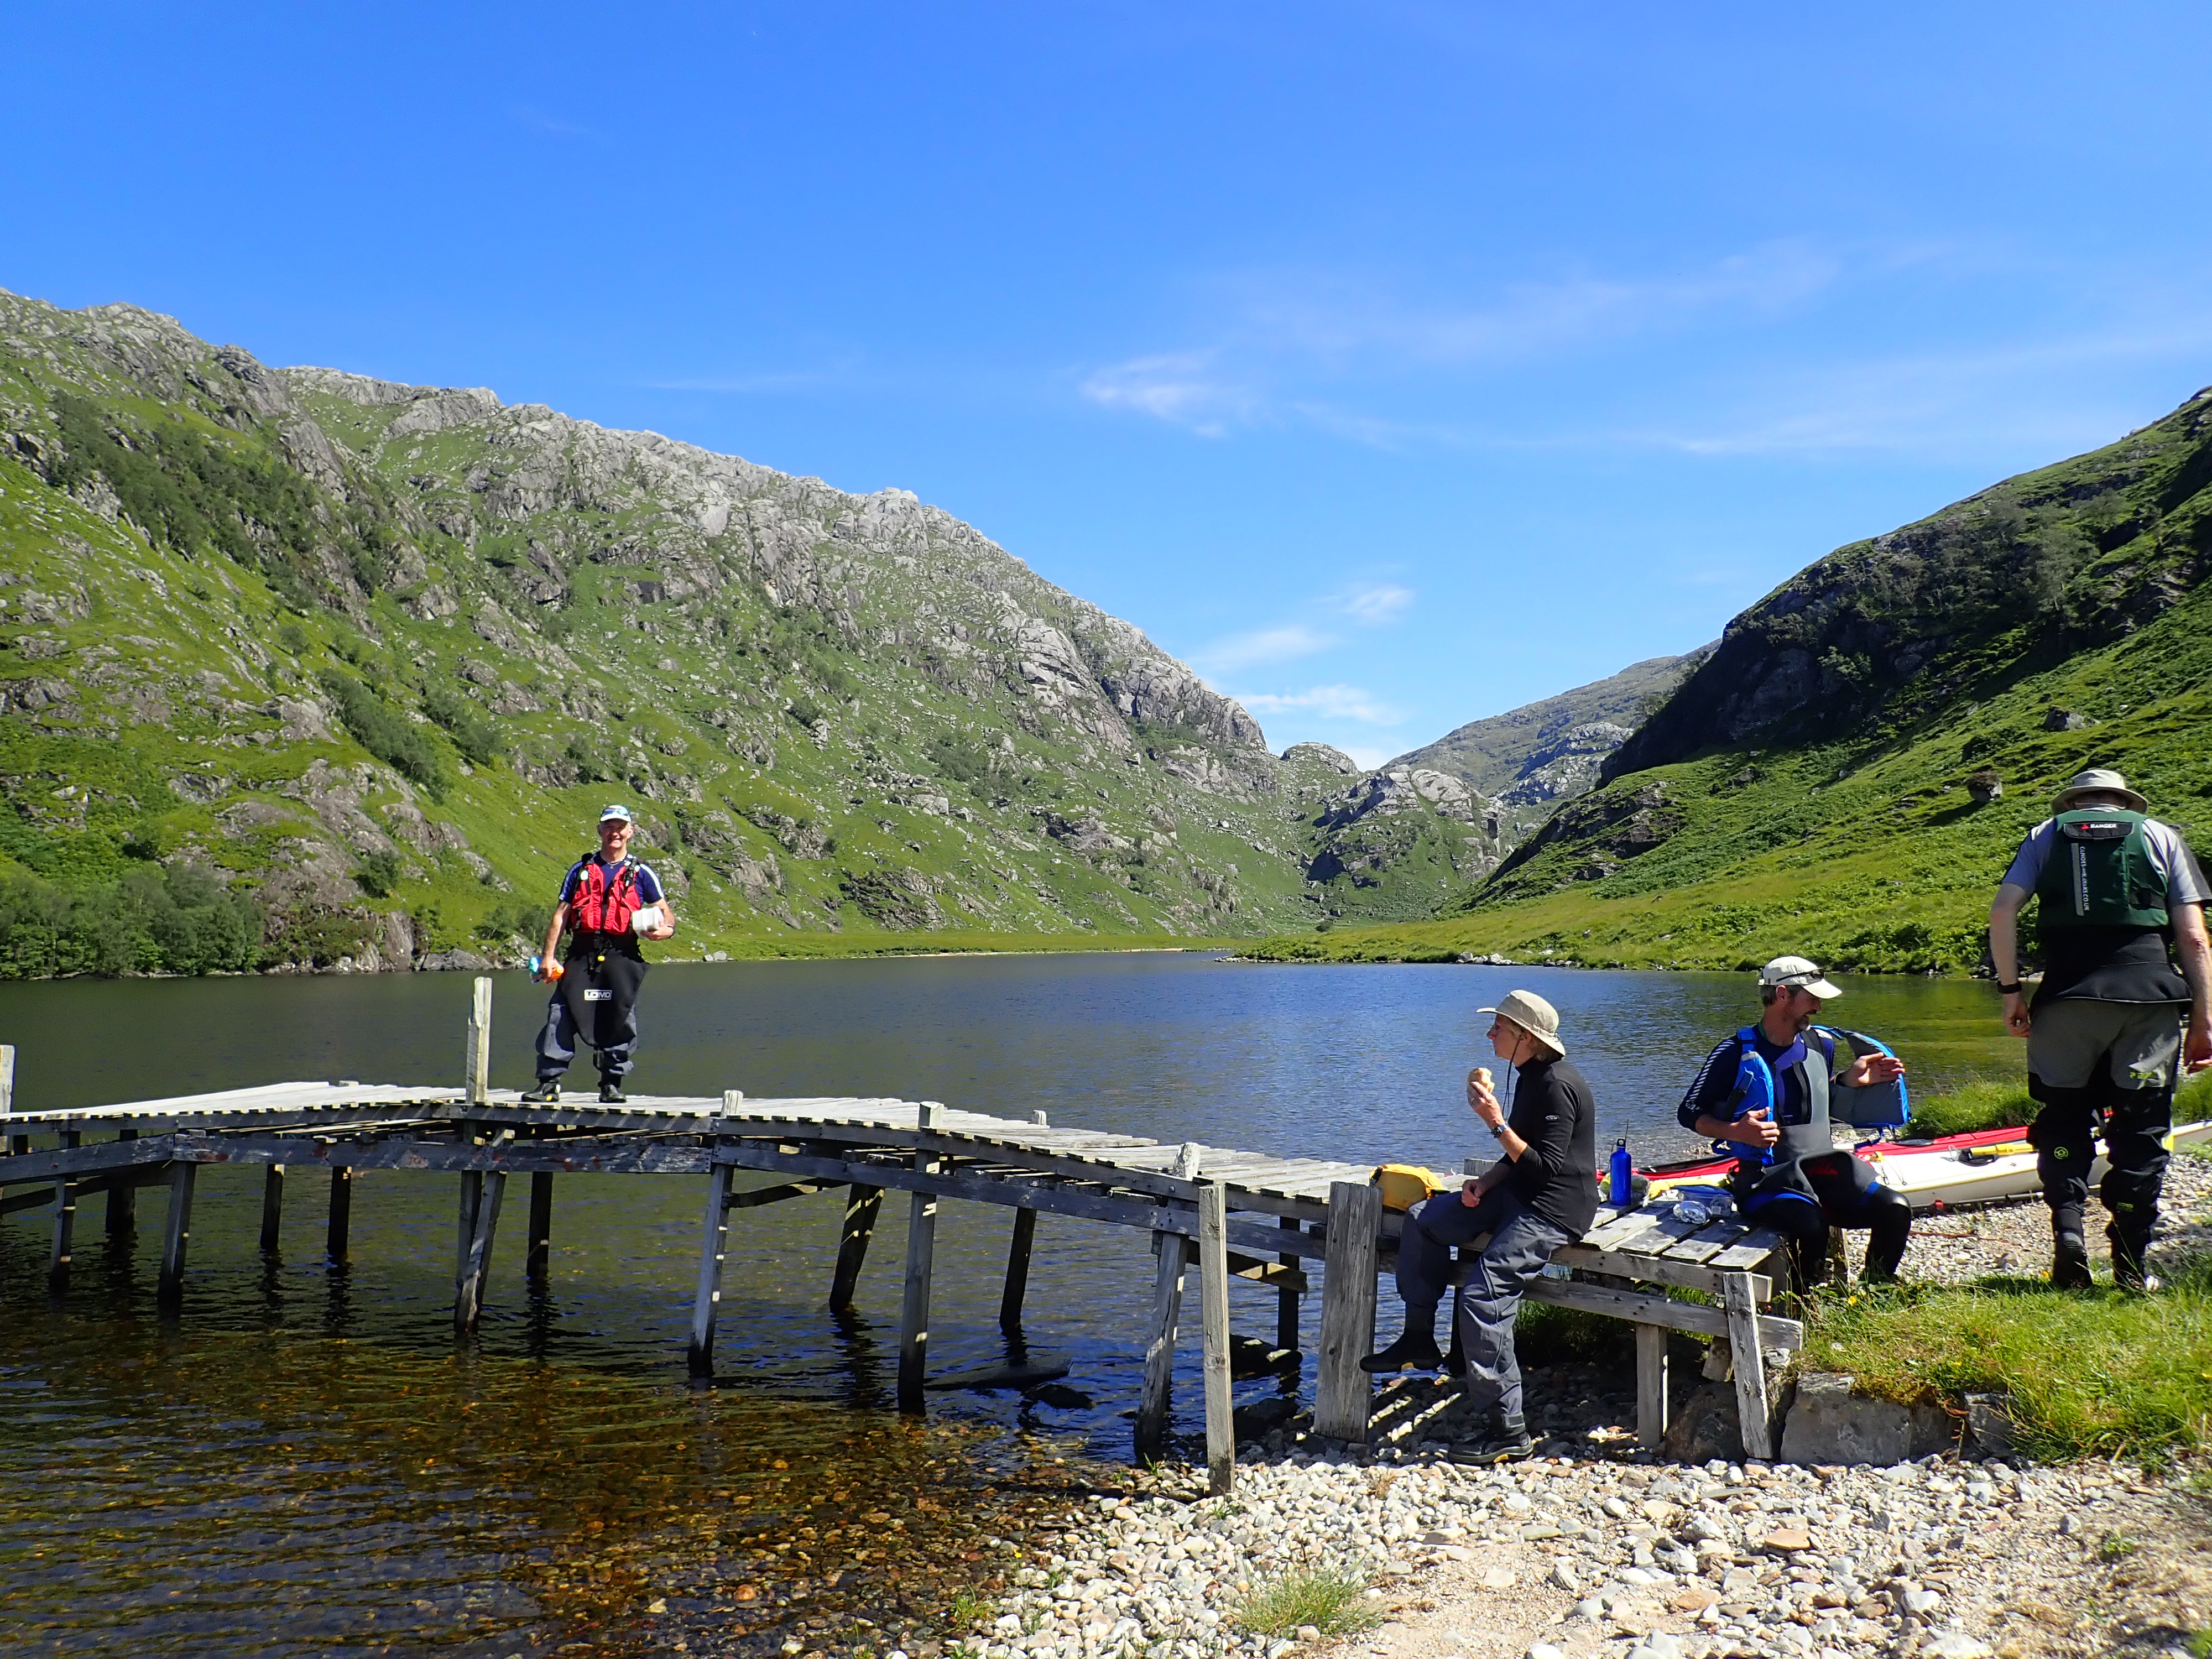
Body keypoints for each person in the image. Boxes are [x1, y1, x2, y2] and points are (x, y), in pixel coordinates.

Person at [1987, 768, 2211, 1292]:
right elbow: (2195, 938)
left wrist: (2011, 991)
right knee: (2142, 1130)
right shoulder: (2161, 835)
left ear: (2075, 801)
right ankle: (2132, 1267)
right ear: (2124, 800)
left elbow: (2003, 913)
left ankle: (2070, 1239)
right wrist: (2204, 1015)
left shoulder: (2045, 835)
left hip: (2066, 998)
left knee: (2062, 1120)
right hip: (2150, 999)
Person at [1360, 989, 1597, 1464]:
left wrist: (1494, 1122)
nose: (1490, 1034)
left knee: (1482, 1298)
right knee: (1424, 1219)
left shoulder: (1556, 1085)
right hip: (1517, 1192)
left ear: (1526, 1038)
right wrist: (1485, 1183)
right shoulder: (1529, 1074)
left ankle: (1508, 1430)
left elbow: (1546, 1167)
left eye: (1500, 1028)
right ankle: (1418, 1339)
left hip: (1554, 1209)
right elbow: (1520, 1159)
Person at [1678, 956, 1912, 1286]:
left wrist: (1849, 1082)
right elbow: (1688, 1113)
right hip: (1765, 1182)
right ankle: (1805, 1306)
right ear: (1783, 995)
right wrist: (1735, 1132)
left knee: (1896, 1208)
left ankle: (1875, 1287)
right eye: (1812, 998)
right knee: (1810, 1223)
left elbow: (1808, 1103)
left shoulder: (1822, 1043)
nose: (1818, 1006)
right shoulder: (1733, 1051)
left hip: (1822, 1172)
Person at [522, 805, 676, 1105]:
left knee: (620, 1016)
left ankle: (611, 1084)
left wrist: (664, 932)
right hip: (581, 954)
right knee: (561, 1014)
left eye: (620, 827)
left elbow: (666, 916)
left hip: (622, 955)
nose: (614, 833)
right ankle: (549, 1084)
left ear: (630, 831)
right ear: (600, 831)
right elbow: (560, 917)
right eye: (608, 827)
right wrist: (548, 958)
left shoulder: (642, 873)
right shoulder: (580, 870)